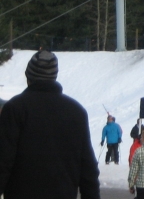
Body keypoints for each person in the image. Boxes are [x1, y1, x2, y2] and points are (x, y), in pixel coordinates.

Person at [0, 49, 100, 199]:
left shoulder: (15, 108)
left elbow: (3, 160)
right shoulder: (76, 111)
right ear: (54, 76)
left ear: (28, 76)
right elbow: (88, 167)